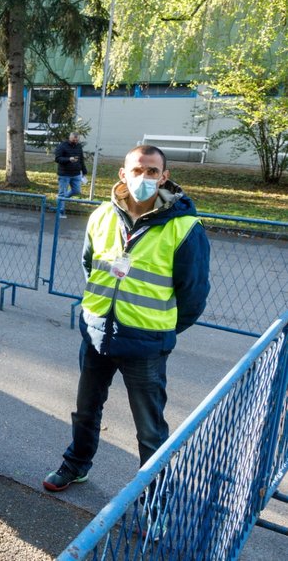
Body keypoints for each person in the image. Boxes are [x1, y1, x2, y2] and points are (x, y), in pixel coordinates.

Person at [43, 145, 210, 493]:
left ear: (165, 177)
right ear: (123, 174)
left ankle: (154, 498)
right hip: (96, 334)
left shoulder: (184, 228)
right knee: (85, 411)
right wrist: (97, 313)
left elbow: (192, 295)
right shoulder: (102, 215)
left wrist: (161, 328)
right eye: (137, 170)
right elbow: (89, 265)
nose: (144, 178)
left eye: (152, 171)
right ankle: (76, 464)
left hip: (146, 344)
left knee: (150, 429)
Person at [54, 132, 88, 218]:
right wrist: (69, 159)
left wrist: (84, 172)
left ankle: (62, 199)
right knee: (62, 193)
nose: (75, 141)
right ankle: (60, 211)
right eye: (74, 139)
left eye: (77, 139)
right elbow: (57, 158)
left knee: (76, 191)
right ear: (70, 138)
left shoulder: (79, 146)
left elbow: (81, 159)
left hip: (76, 174)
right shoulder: (62, 146)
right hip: (64, 174)